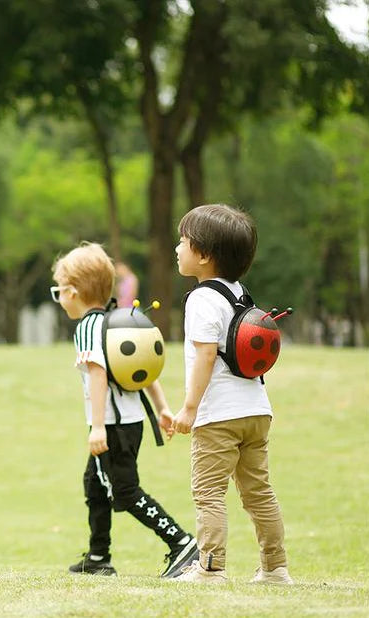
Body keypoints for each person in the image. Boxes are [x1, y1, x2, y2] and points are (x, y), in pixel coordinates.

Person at [51, 243, 199, 578]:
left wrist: (98, 426)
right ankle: (98, 556)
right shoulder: (116, 321)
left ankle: (181, 543)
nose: (59, 298)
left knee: (126, 491)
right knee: (95, 484)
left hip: (114, 427)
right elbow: (144, 365)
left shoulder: (88, 328)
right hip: (130, 424)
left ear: (73, 292)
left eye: (58, 291)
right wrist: (161, 408)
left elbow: (99, 374)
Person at [171, 204, 292, 584]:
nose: (177, 248)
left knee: (208, 492)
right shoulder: (242, 294)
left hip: (219, 414)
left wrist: (189, 408)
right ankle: (275, 569)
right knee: (259, 492)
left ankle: (210, 568)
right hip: (256, 410)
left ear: (204, 256)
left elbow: (206, 355)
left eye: (183, 241)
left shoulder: (201, 298)